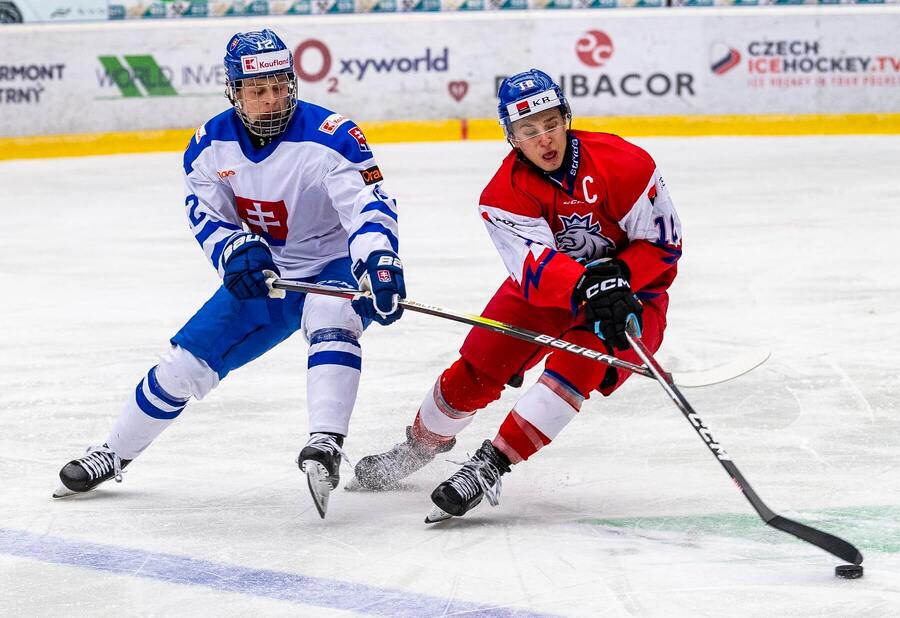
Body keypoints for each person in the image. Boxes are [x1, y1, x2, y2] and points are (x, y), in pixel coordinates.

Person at [53, 29, 405, 518]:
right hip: (270, 272)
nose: (273, 99)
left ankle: (325, 442)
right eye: (259, 90)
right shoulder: (209, 145)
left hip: (333, 262)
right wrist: (235, 251)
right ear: (234, 91)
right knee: (183, 366)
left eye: (281, 86)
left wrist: (379, 262)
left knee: (332, 315)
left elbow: (367, 209)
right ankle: (113, 453)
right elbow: (207, 215)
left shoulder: (334, 137)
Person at [353, 68, 682, 522]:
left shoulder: (627, 163)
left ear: (566, 118)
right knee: (477, 367)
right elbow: (533, 268)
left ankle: (490, 465)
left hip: (633, 295)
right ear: (512, 136)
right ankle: (416, 449)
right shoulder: (502, 194)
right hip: (548, 294)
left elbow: (663, 243)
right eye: (528, 130)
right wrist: (588, 282)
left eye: (550, 123)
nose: (543, 139)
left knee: (579, 361)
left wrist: (622, 274)